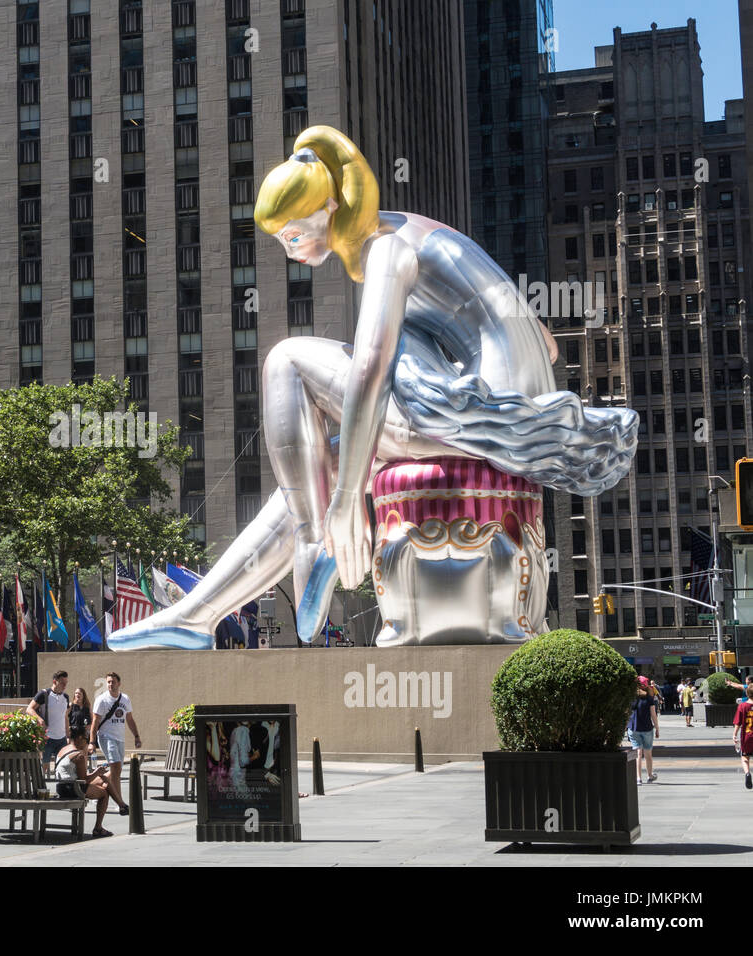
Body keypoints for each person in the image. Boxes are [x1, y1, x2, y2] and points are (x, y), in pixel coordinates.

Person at [109, 126, 637, 651]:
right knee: (321, 463)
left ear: (332, 206)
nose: (290, 251)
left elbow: (369, 372)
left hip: (480, 420)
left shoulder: (387, 249)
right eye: (281, 241)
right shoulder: (424, 234)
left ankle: (316, 541)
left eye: (294, 235)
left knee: (285, 362)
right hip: (505, 417)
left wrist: (343, 509)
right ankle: (196, 615)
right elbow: (544, 343)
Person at [89, 672, 141, 815]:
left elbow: (129, 719)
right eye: (109, 682)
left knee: (116, 771)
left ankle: (91, 786)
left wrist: (136, 736)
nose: (110, 684)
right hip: (106, 737)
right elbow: (95, 722)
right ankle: (120, 803)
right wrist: (92, 742)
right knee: (116, 767)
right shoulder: (102, 700)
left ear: (119, 683)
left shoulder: (125, 699)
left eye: (113, 682)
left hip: (120, 738)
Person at [53, 728, 113, 837]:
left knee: (103, 779)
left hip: (61, 787)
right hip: (72, 788)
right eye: (87, 740)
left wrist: (97, 774)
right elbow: (84, 780)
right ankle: (98, 828)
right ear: (80, 738)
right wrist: (97, 772)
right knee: (104, 794)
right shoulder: (79, 755)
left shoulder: (64, 749)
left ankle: (122, 805)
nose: (87, 744)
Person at [27, 670, 70, 771]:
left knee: (62, 766)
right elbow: (29, 709)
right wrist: (40, 719)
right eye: (62, 683)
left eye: (66, 683)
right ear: (55, 681)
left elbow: (65, 717)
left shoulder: (65, 697)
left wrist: (68, 736)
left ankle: (60, 786)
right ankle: (41, 785)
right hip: (47, 737)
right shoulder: (44, 694)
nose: (64, 685)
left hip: (62, 738)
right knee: (44, 765)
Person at [628, 676, 660, 785]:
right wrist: (657, 728)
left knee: (638, 753)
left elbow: (626, 714)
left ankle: (638, 778)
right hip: (647, 729)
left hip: (634, 728)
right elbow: (653, 715)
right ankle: (650, 776)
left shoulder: (631, 698)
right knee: (648, 754)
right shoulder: (649, 699)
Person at [736, 687, 753, 790]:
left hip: (747, 736)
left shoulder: (742, 706)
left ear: (747, 694)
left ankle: (747, 773)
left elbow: (738, 722)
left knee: (745, 758)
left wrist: (734, 735)